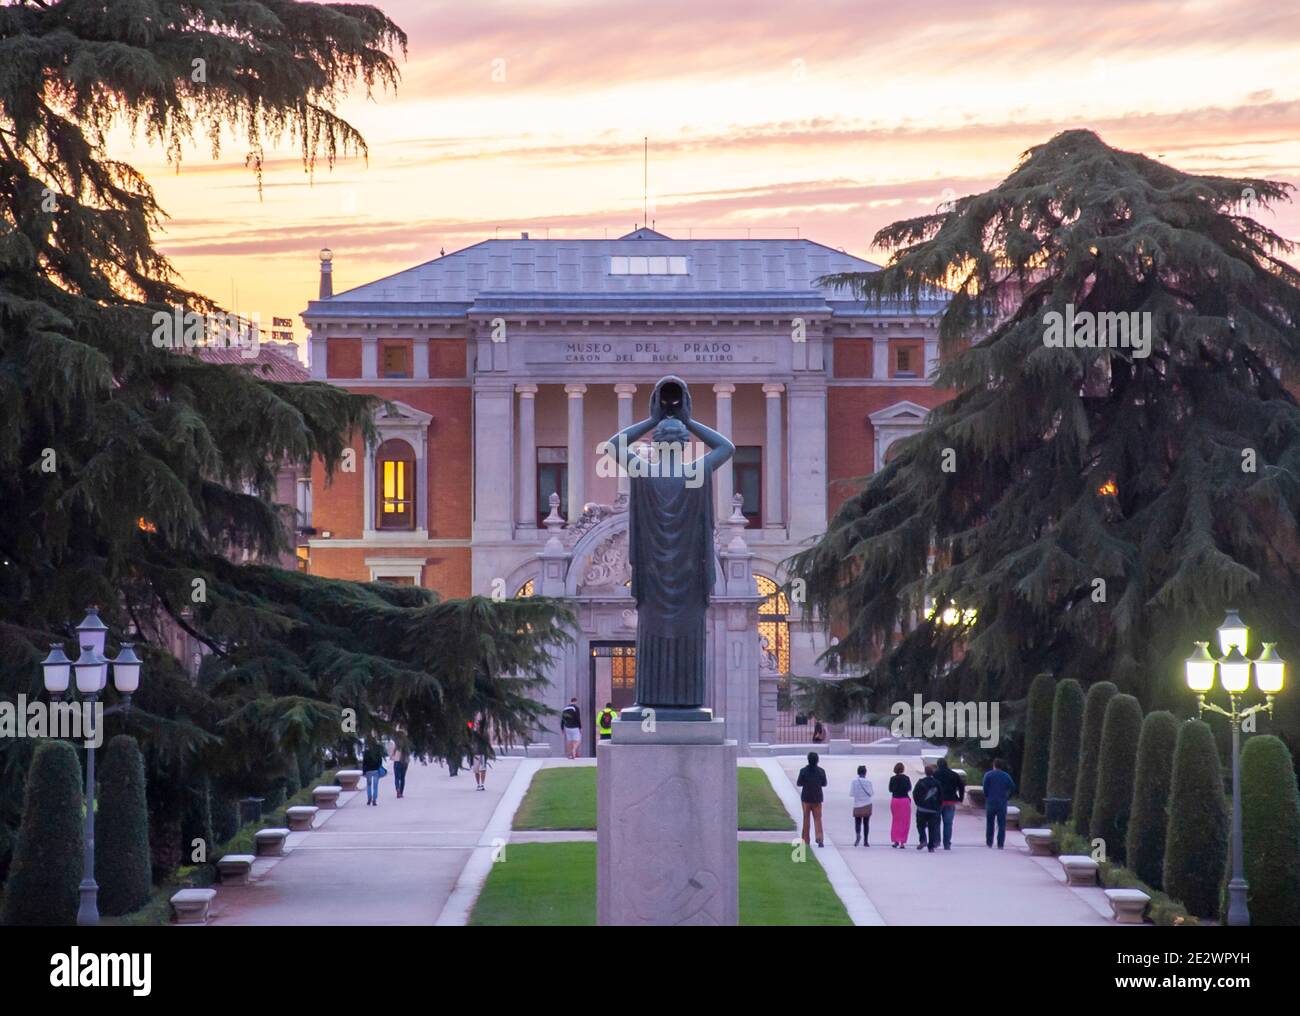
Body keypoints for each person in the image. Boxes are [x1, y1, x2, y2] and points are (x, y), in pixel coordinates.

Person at [983, 758, 1017, 849]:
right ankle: (1000, 844)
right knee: (1001, 824)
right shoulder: (1006, 776)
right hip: (1002, 802)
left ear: (994, 765)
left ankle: (989, 842)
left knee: (990, 823)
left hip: (991, 801)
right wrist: (1007, 796)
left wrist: (987, 796)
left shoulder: (988, 775)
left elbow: (985, 788)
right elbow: (1013, 787)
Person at [796, 751, 828, 847]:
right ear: (817, 760)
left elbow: (799, 783)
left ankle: (805, 840)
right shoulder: (821, 771)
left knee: (806, 819)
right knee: (818, 819)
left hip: (806, 798)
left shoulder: (803, 771)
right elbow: (824, 783)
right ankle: (820, 839)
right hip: (817, 798)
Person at [935, 757, 965, 850]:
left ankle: (937, 841)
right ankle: (947, 843)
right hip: (951, 801)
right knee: (948, 823)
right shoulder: (954, 774)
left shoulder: (936, 774)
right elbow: (961, 786)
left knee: (936, 822)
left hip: (938, 801)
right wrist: (960, 798)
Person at [912, 764, 943, 852]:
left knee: (920, 825)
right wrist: (938, 806)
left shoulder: (920, 782)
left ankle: (923, 840)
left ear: (925, 772)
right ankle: (931, 846)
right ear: (933, 773)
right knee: (932, 827)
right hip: (934, 809)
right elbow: (941, 796)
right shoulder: (937, 783)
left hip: (922, 808)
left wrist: (918, 803)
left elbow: (915, 794)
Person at [888, 762, 912, 848]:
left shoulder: (892, 779)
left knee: (896, 821)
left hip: (895, 800)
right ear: (903, 769)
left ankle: (895, 840)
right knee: (905, 821)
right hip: (904, 800)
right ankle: (902, 841)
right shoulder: (906, 778)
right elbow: (909, 788)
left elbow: (890, 789)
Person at [849, 764, 874, 846]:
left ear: (858, 772)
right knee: (866, 823)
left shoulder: (854, 782)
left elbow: (851, 794)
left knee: (857, 822)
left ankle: (858, 834)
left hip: (857, 805)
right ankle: (866, 841)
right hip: (867, 804)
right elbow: (871, 793)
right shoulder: (869, 782)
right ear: (865, 773)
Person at [361, 739, 386, 806]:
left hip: (368, 771)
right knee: (375, 786)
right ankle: (374, 800)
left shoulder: (366, 752)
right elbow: (380, 761)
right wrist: (378, 766)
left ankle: (369, 799)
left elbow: (364, 763)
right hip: (375, 771)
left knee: (369, 785)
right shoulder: (377, 751)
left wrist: (364, 771)